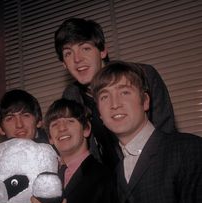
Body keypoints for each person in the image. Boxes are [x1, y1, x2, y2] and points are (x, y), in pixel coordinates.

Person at [91, 60, 202, 203]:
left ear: (145, 102)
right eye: (105, 97)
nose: (114, 104)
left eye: (125, 92)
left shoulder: (189, 150)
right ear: (100, 114)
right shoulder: (115, 173)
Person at [54, 17, 176, 168]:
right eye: (68, 53)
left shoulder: (143, 75)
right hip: (108, 183)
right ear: (64, 64)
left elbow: (166, 131)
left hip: (153, 170)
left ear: (102, 51)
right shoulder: (70, 96)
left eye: (85, 48)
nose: (77, 59)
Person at [27, 98, 120, 203]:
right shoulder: (44, 179)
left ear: (86, 129)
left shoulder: (105, 178)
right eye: (55, 124)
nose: (62, 128)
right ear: (50, 139)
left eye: (70, 121)